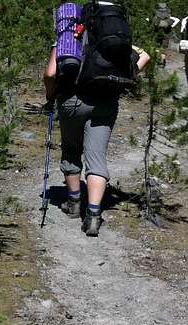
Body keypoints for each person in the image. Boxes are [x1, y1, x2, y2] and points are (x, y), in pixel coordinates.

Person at [43, 40, 151, 236]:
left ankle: (74, 202)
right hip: (105, 103)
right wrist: (123, 81)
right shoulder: (110, 37)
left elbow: (50, 73)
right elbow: (145, 57)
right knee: (97, 156)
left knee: (71, 149)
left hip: (72, 102)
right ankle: (93, 215)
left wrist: (50, 96)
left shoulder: (65, 36)